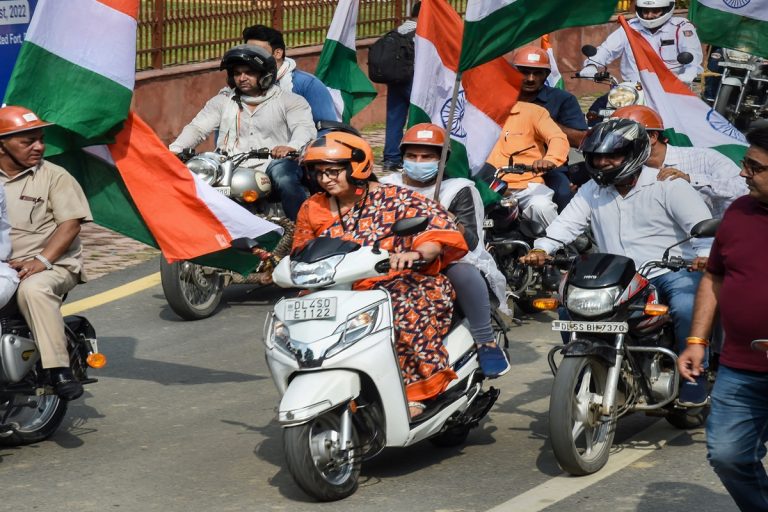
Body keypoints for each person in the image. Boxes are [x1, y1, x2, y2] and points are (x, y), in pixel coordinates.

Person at [520, 119, 714, 403]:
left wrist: (704, 257)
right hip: (617, 276)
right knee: (568, 310)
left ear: (634, 153)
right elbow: (564, 227)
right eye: (597, 157)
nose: (603, 163)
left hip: (667, 271)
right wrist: (542, 249)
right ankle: (595, 368)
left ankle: (694, 375)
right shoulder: (591, 190)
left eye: (612, 155)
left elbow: (703, 230)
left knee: (686, 306)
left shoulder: (668, 185)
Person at [293, 131, 468, 417]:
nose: (325, 179)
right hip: (339, 289)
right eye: (319, 173)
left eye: (333, 172)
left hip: (400, 282)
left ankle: (415, 390)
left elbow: (433, 231)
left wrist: (416, 254)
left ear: (357, 167)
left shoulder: (396, 198)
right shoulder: (312, 207)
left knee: (399, 308)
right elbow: (301, 250)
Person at [678, 125, 768, 512]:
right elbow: (715, 274)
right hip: (740, 367)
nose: (743, 173)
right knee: (728, 455)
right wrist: (697, 340)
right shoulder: (738, 211)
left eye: (754, 166)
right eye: (745, 163)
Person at [380, 123, 511, 377]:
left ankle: (486, 341)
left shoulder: (459, 189)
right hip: (391, 257)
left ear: (442, 160)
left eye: (427, 156)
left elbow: (472, 242)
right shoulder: (385, 186)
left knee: (462, 271)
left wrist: (449, 221)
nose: (418, 162)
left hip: (447, 258)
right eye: (412, 156)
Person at [0, 106, 93, 401]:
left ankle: (58, 370)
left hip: (52, 265)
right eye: (27, 142)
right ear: (2, 144)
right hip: (4, 268)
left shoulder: (54, 176)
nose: (39, 147)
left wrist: (41, 260)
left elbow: (71, 225)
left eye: (40, 139)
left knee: (34, 290)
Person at [169, 44, 316, 221]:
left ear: (265, 74)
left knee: (284, 177)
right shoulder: (222, 101)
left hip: (272, 163)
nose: (242, 78)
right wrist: (174, 150)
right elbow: (198, 128)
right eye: (237, 73)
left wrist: (290, 147)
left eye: (249, 73)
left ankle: (303, 229)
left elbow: (304, 128)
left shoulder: (290, 101)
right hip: (228, 166)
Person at [611, 105, 747, 218]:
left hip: (709, 239)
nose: (619, 145)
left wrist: (690, 179)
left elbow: (742, 189)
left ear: (652, 137)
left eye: (627, 138)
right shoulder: (621, 169)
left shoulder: (704, 157)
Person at [512, 45, 588, 211]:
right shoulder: (500, 98)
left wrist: (543, 121)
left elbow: (580, 140)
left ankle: (569, 236)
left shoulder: (563, 99)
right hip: (504, 168)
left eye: (537, 73)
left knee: (564, 195)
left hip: (550, 169)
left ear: (546, 75)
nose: (530, 78)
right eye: (524, 72)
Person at [485, 101, 569, 227]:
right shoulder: (472, 114)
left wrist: (550, 159)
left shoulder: (533, 112)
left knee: (541, 207)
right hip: (484, 186)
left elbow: (557, 137)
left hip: (526, 187)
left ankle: (560, 243)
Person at [580, 0, 703, 86]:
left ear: (667, 8)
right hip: (634, 89)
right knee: (597, 113)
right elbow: (607, 49)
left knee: (681, 121)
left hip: (670, 89)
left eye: (655, 11)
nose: (649, 15)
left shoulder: (680, 28)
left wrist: (688, 74)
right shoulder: (629, 28)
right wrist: (592, 65)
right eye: (645, 11)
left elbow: (692, 55)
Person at [242, 24, 338, 124]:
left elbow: (327, 129)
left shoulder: (308, 85)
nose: (252, 57)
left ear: (278, 53)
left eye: (258, 51)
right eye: (249, 51)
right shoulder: (243, 82)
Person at [381, 1, 420, 172]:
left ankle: (391, 157)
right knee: (418, 117)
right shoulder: (422, 33)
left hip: (395, 79)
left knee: (394, 119)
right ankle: (415, 153)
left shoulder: (398, 30)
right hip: (414, 79)